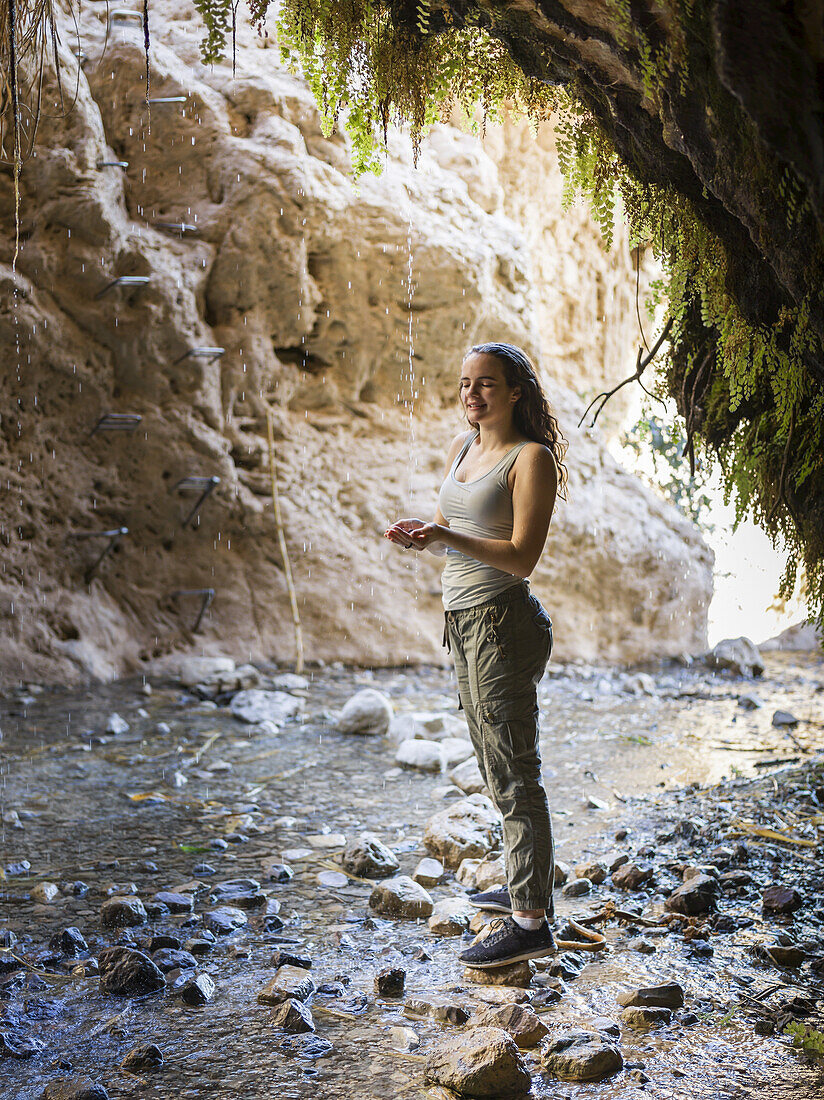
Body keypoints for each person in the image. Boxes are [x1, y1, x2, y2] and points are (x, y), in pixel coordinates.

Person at [384, 342, 569, 968]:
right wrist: (423, 535)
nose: (472, 394)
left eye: (486, 384)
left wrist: (443, 535)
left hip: (503, 623)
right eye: (466, 383)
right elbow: (452, 533)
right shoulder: (464, 450)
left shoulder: (530, 458)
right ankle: (527, 886)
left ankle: (530, 924)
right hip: (461, 623)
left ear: (515, 391)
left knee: (516, 770)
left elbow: (519, 557)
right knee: (495, 765)